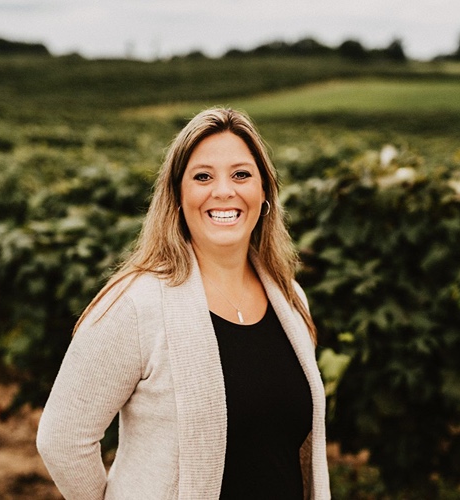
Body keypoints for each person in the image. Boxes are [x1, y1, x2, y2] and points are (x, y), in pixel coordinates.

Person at [37, 107, 331, 499]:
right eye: (203, 176)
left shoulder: (291, 300)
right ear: (178, 196)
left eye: (241, 174)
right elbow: (62, 439)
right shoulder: (136, 304)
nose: (223, 191)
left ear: (265, 194)